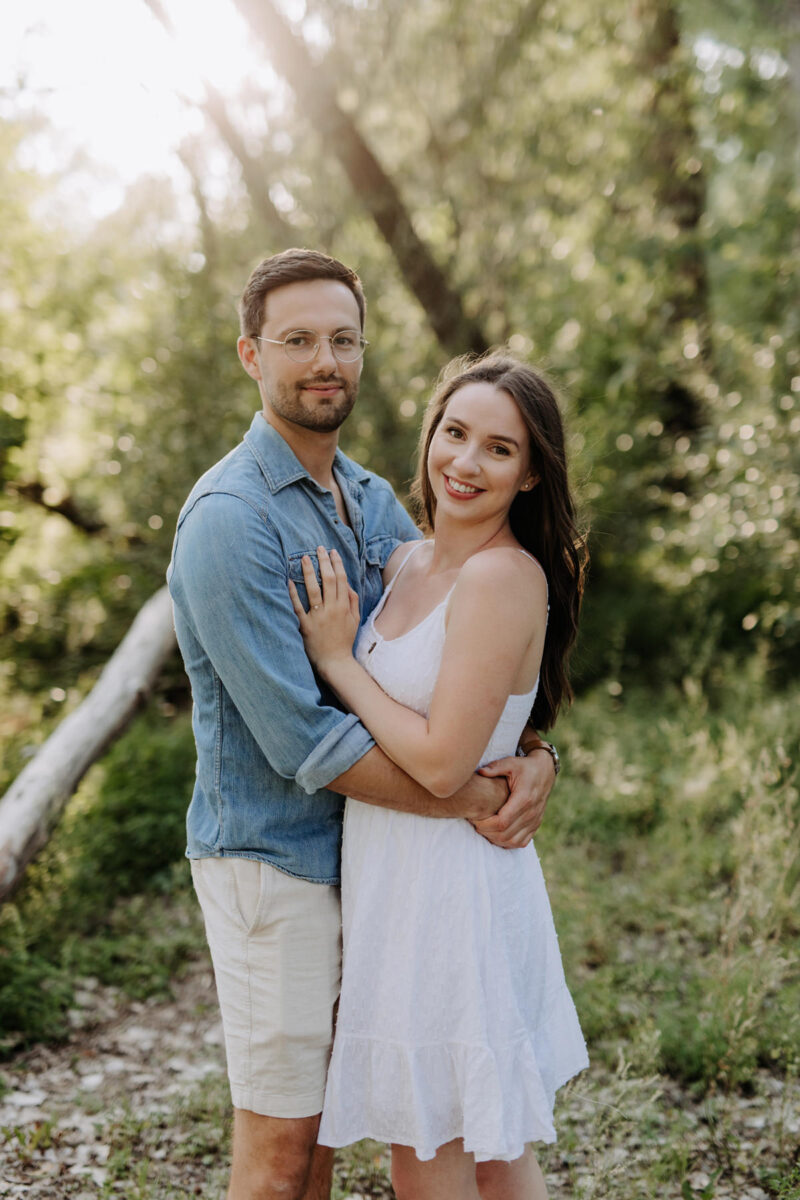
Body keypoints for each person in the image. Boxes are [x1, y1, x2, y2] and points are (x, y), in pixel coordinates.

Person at [167, 249, 559, 1200]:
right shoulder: (231, 519)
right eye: (297, 339)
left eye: (342, 338)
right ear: (251, 355)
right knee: (281, 1152)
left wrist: (534, 751)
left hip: (372, 865)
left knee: (338, 1135)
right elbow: (302, 739)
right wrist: (470, 792)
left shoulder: (371, 498)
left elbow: (454, 656)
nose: (324, 359)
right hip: (275, 863)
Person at [290, 352, 589, 1200]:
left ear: (531, 475)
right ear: (430, 437)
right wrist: (540, 757)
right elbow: (500, 724)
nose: (465, 462)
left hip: (452, 897)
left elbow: (442, 760)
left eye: (499, 449)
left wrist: (339, 663)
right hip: (401, 884)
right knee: (490, 1156)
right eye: (455, 433)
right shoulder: (404, 566)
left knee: (428, 1160)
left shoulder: (503, 576)